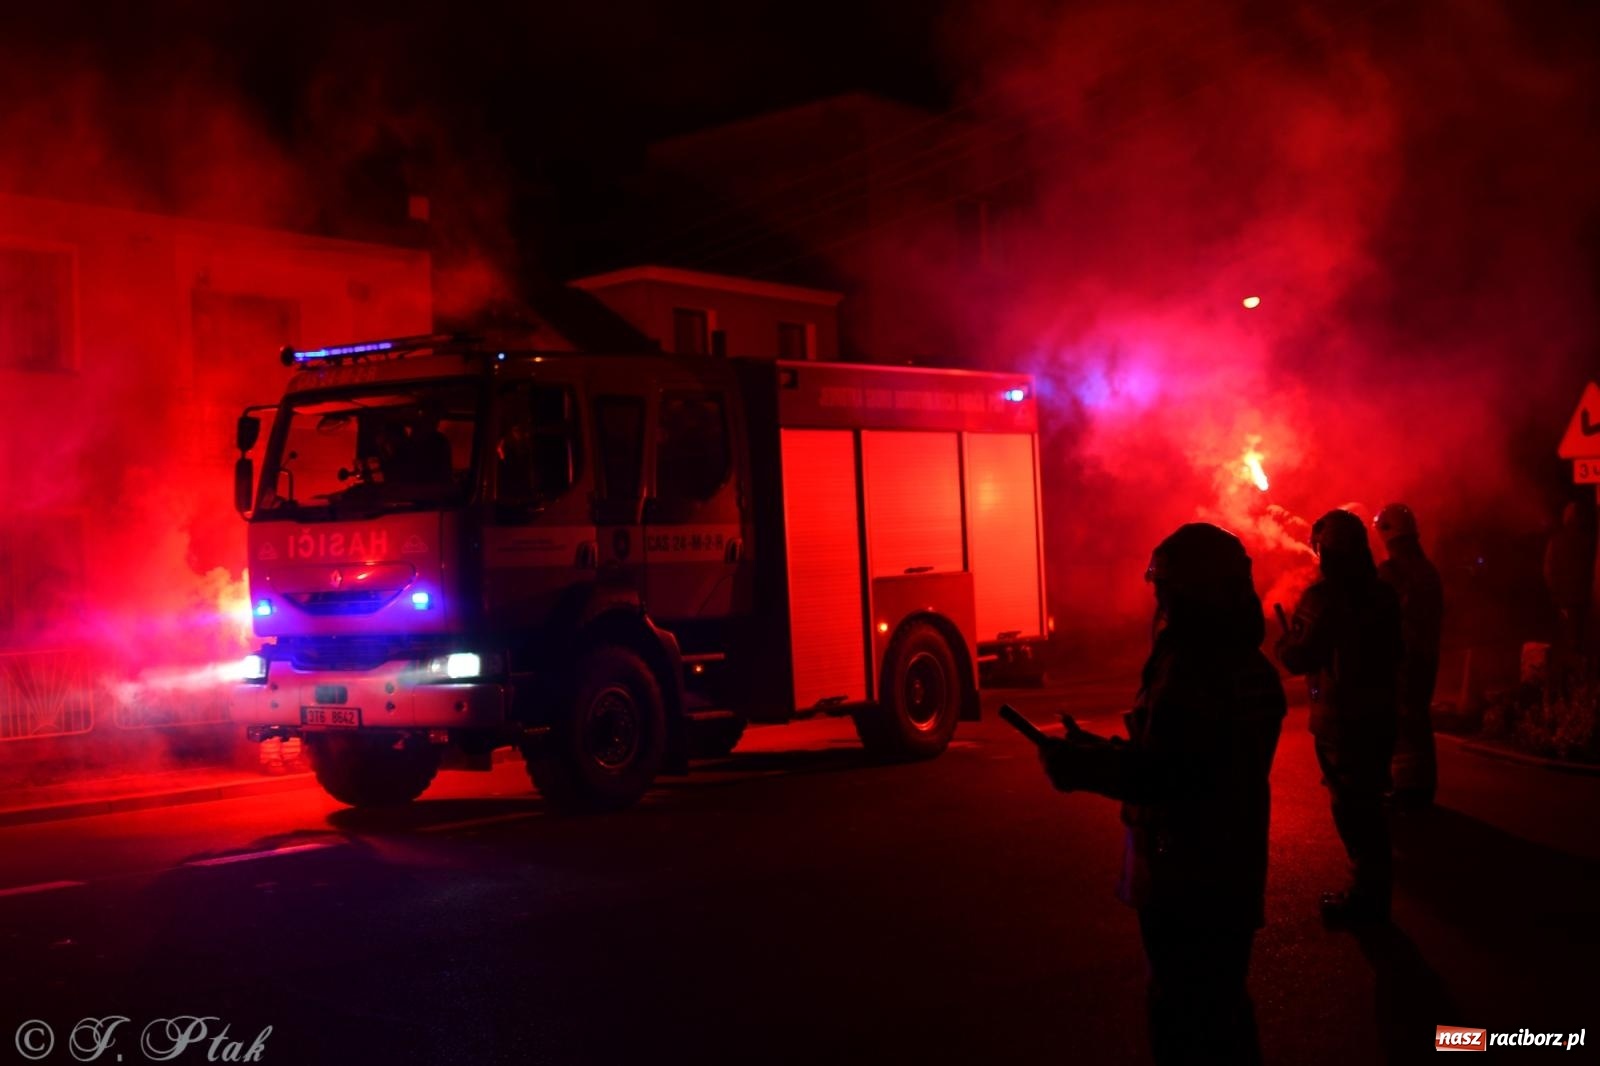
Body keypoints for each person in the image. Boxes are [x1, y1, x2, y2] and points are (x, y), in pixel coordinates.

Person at [1038, 523, 1285, 1065]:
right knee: (1223, 1008)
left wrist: (1080, 765)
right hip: (1234, 869)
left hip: (1185, 875)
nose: (1159, 598)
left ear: (1191, 590)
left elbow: (1168, 775)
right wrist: (1101, 748)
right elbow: (1189, 755)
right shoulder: (1250, 665)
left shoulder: (1192, 666)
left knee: (1185, 1016)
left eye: (1166, 586)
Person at [1277, 508, 1403, 926]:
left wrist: (1285, 642)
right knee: (1370, 807)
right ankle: (1373, 894)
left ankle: (1366, 900)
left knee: (1354, 811)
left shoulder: (1324, 597)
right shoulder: (1383, 593)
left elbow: (1300, 656)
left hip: (1341, 721)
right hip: (1381, 716)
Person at [1373, 503, 1444, 809]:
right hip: (1426, 656)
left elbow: (1375, 615)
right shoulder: (1427, 570)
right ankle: (1422, 786)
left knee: (1401, 722)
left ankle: (1406, 788)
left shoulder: (1391, 573)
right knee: (1418, 718)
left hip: (1400, 658)